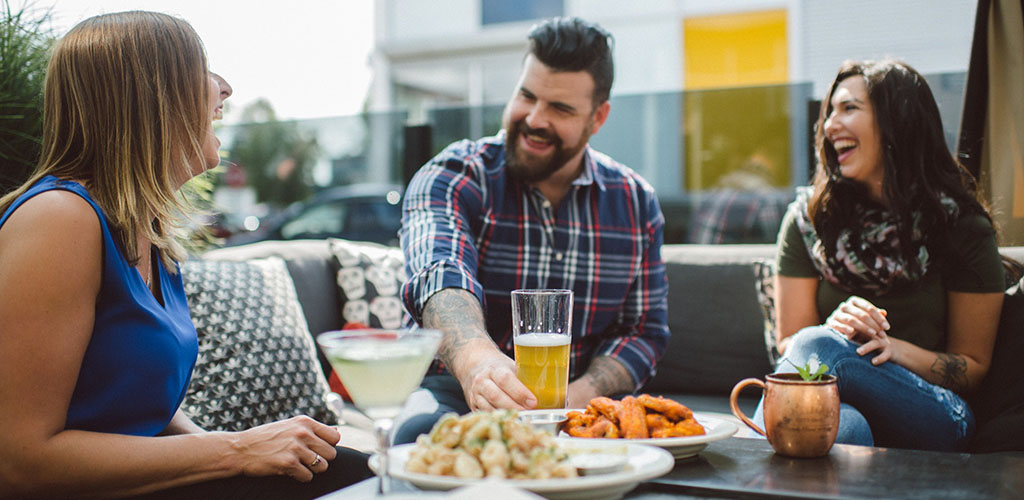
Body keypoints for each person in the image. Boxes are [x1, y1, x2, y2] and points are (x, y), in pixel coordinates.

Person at [0, 11, 370, 499]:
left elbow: (138, 402)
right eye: (203, 69)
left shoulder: (147, 229)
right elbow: (20, 462)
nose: (225, 88)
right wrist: (236, 451)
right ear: (150, 97)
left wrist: (240, 458)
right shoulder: (58, 218)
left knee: (368, 472)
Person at [394, 17, 669, 444]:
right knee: (418, 436)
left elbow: (643, 331)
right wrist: (479, 364)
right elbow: (440, 278)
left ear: (598, 118)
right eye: (526, 95)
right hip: (455, 389)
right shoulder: (453, 176)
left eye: (559, 108)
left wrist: (579, 397)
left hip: (577, 401)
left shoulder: (635, 202)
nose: (535, 119)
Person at [763, 59, 1006, 451]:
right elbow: (790, 343)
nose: (829, 126)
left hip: (937, 411)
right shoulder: (809, 222)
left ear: (898, 121)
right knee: (842, 429)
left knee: (821, 349)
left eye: (849, 108)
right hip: (835, 405)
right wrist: (837, 328)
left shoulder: (961, 227)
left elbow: (973, 368)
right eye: (830, 113)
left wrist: (892, 350)